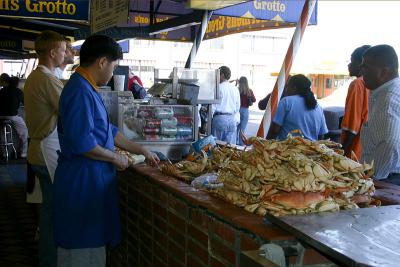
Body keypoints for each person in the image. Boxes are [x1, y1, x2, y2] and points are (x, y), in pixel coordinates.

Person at [53, 35, 159, 266]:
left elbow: (108, 131)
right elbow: (83, 143)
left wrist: (139, 148)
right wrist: (115, 157)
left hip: (91, 181)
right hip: (82, 183)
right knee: (82, 254)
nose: (113, 73)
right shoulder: (79, 91)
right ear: (102, 62)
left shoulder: (88, 87)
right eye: (113, 66)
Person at [24, 30, 66, 267]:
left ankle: (46, 255)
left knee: (47, 211)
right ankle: (49, 259)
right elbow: (68, 109)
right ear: (53, 52)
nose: (65, 54)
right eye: (62, 50)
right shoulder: (47, 79)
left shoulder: (35, 76)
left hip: (37, 149)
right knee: (51, 213)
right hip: (46, 151)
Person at [360, 44, 400, 185]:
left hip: (388, 180)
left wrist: (376, 178)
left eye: (366, 67)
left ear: (384, 72)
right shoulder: (389, 92)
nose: (361, 71)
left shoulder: (387, 99)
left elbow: (389, 143)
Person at [267, 74, 328, 141]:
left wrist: (266, 145)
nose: (286, 89)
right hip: (312, 150)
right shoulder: (318, 107)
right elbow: (321, 136)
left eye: (287, 86)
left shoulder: (286, 101)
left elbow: (275, 130)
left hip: (288, 149)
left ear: (294, 88)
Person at [341, 45, 371, 160]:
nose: (349, 65)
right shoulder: (370, 83)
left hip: (354, 151)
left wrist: (342, 152)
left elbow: (352, 125)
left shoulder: (357, 84)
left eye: (352, 61)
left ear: (361, 64)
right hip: (365, 150)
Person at [0, 75, 28, 157]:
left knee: (2, 134)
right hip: (12, 116)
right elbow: (25, 104)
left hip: (1, 117)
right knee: (24, 133)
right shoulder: (18, 92)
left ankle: (4, 153)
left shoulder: (1, 91)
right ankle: (23, 153)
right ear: (17, 83)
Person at [212, 66, 240, 144]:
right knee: (230, 149)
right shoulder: (235, 89)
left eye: (218, 74)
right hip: (232, 120)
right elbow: (238, 107)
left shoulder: (219, 88)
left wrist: (208, 121)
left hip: (219, 119)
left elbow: (213, 106)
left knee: (217, 147)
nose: (216, 77)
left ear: (222, 75)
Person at [236, 76, 256, 145]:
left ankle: (234, 143)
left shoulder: (237, 90)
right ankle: (241, 144)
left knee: (236, 129)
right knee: (242, 129)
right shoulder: (249, 91)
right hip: (245, 110)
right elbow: (254, 100)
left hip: (237, 110)